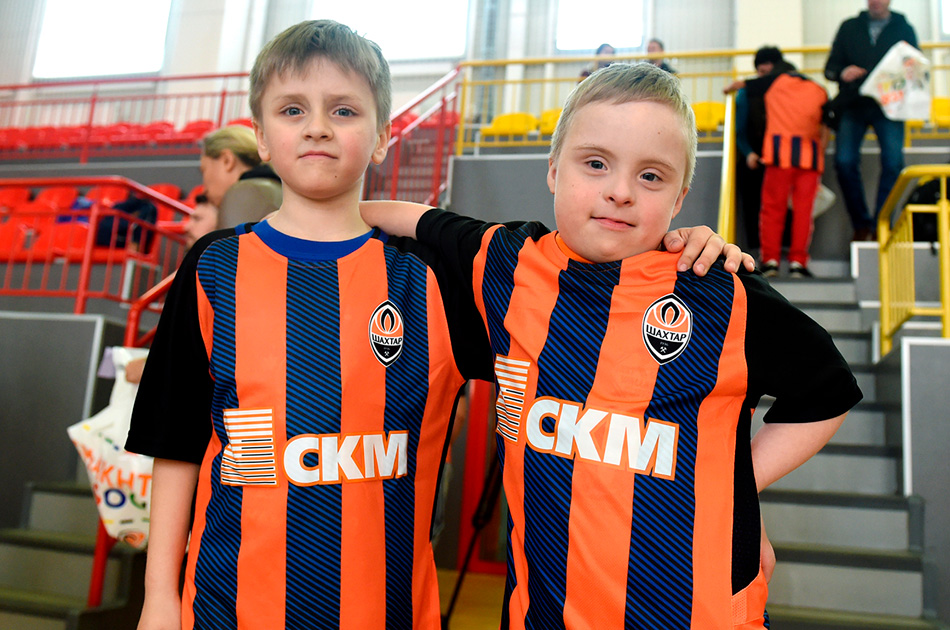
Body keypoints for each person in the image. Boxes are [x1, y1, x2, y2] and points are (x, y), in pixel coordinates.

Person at [125, 21, 746, 630]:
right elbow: (176, 444)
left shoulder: (434, 278)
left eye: (344, 110)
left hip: (391, 611)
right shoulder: (213, 268)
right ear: (260, 136)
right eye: (293, 110)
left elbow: (603, 351)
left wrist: (672, 252)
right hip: (227, 608)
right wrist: (158, 597)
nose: (317, 127)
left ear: (382, 137)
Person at [362, 62, 862, 627]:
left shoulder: (720, 292)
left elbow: (829, 393)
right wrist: (309, 215)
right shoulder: (505, 261)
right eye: (596, 164)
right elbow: (418, 219)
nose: (620, 192)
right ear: (554, 169)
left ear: (680, 198)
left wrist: (734, 482)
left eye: (651, 176)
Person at [728, 47, 829, 278]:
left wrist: (729, 88)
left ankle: (771, 261)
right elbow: (826, 126)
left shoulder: (774, 83)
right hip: (810, 158)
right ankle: (798, 263)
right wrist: (819, 154)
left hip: (778, 156)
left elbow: (742, 85)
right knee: (804, 213)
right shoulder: (818, 89)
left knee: (772, 210)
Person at [825, 0, 918, 241]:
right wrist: (842, 72)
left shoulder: (904, 28)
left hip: (890, 107)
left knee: (894, 163)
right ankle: (861, 225)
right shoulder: (849, 27)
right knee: (844, 162)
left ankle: (881, 225)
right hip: (853, 104)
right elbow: (830, 68)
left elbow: (914, 69)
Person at [198, 125, 282, 228]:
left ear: (227, 160)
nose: (204, 190)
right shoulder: (275, 188)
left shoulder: (244, 192)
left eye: (204, 170)